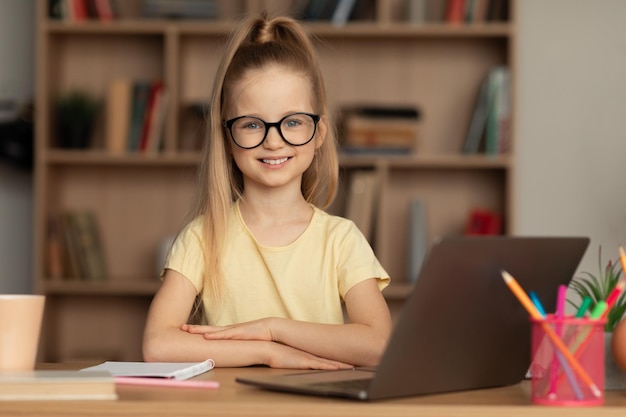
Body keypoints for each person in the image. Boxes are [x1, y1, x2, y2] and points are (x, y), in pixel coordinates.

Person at [142, 14, 392, 370]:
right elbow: (157, 344)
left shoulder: (341, 240)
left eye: (292, 122)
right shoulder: (202, 237)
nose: (273, 141)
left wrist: (273, 329)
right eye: (252, 124)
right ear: (227, 137)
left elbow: (379, 345)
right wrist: (267, 351)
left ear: (319, 132)